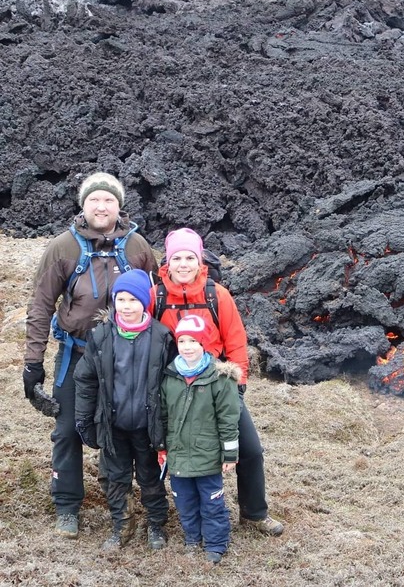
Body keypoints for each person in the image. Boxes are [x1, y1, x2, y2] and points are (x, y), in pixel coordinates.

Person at [22, 172, 158, 539]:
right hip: (76, 354)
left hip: (126, 357)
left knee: (121, 428)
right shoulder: (63, 248)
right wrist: (33, 363)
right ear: (83, 205)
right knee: (67, 429)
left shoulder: (138, 247)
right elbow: (40, 306)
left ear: (119, 206)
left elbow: (155, 302)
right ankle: (66, 505)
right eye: (94, 199)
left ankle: (126, 504)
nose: (101, 206)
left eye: (109, 200)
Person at [149, 227, 284, 536]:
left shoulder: (217, 295)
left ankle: (254, 512)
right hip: (174, 389)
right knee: (155, 450)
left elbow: (235, 341)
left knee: (250, 450)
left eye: (189, 258)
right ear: (167, 263)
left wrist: (237, 386)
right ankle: (156, 516)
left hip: (217, 386)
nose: (183, 264)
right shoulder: (156, 297)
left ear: (200, 261)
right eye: (176, 258)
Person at [73, 269, 173, 550]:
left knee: (150, 477)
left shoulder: (162, 337)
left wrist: (168, 426)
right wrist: (84, 420)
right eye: (121, 300)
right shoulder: (101, 336)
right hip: (112, 425)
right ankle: (122, 525)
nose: (126, 307)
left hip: (148, 426)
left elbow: (171, 385)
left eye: (133, 300)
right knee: (115, 479)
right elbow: (85, 379)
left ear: (145, 302)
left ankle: (156, 524)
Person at [161, 314, 241, 564]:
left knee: (212, 502)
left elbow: (228, 420)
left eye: (193, 341)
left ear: (204, 343)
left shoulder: (220, 378)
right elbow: (162, 416)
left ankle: (215, 543)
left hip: (208, 455)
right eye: (182, 341)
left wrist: (230, 454)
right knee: (184, 501)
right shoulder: (169, 376)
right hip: (178, 455)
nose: (187, 347)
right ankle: (192, 537)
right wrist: (162, 447)